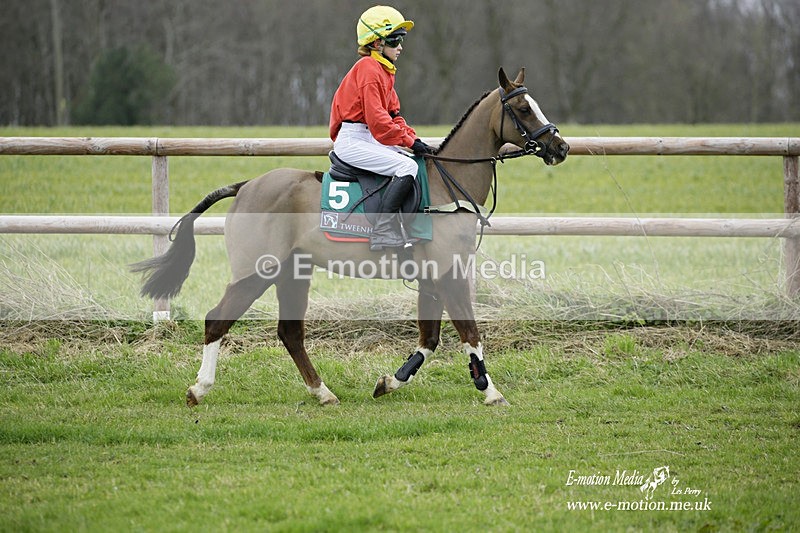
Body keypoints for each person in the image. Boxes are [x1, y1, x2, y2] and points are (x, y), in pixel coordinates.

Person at [329, 5, 432, 251]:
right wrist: (409, 142)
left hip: (367, 139)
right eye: (395, 40)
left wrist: (413, 139)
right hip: (354, 140)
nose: (400, 46)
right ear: (376, 44)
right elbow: (378, 122)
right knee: (406, 166)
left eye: (401, 40)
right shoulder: (368, 69)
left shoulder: (384, 71)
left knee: (413, 162)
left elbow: (394, 116)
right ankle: (383, 232)